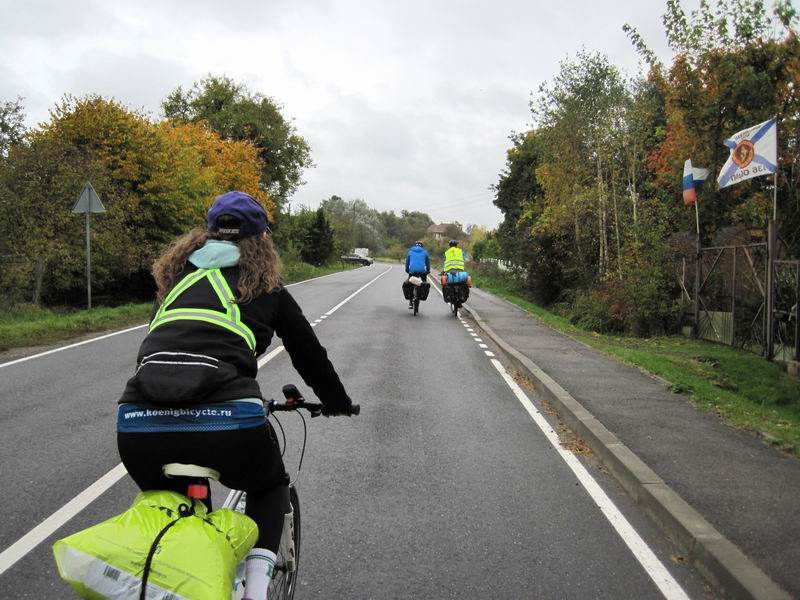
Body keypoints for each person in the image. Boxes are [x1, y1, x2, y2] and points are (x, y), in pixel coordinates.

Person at [116, 191, 354, 600]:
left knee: (171, 505)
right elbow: (309, 355)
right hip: (227, 423)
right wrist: (337, 402)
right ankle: (256, 591)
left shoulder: (175, 286)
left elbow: (156, 349)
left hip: (137, 423)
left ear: (206, 235)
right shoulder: (268, 288)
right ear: (261, 240)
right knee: (269, 487)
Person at [405, 241, 430, 309]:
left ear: (415, 246)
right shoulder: (425, 252)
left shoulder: (410, 252)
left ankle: (410, 302)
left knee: (410, 284)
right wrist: (428, 271)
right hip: (422, 271)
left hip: (412, 271)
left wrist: (407, 270)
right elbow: (427, 263)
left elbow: (407, 262)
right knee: (424, 282)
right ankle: (422, 294)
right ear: (422, 247)